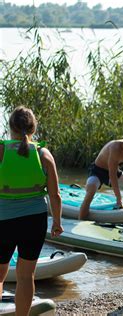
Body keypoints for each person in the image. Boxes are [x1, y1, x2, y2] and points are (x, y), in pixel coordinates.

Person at [0, 106, 63, 315]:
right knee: (26, 277)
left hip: (3, 221)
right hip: (34, 221)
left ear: (10, 128)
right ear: (33, 128)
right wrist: (57, 222)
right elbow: (55, 195)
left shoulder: (0, 150)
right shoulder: (43, 154)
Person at [79, 125, 123, 219]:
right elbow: (112, 174)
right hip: (98, 171)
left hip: (113, 171)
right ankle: (80, 220)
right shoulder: (115, 147)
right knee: (91, 191)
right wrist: (119, 198)